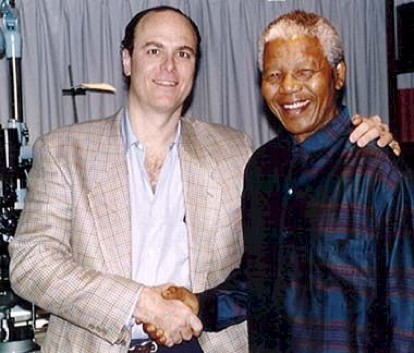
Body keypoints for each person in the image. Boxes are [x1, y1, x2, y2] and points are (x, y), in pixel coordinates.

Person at [8, 6, 399, 353]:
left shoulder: (239, 153)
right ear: (127, 60)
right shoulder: (65, 150)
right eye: (153, 50)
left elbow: (273, 268)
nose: (169, 66)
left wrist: (362, 134)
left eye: (183, 53)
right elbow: (31, 263)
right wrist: (139, 302)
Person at [165, 9, 414, 353]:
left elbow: (407, 316)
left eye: (305, 72)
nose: (288, 88)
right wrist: (199, 304)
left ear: (337, 75)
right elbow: (258, 281)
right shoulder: (261, 168)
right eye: (274, 75)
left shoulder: (378, 174)